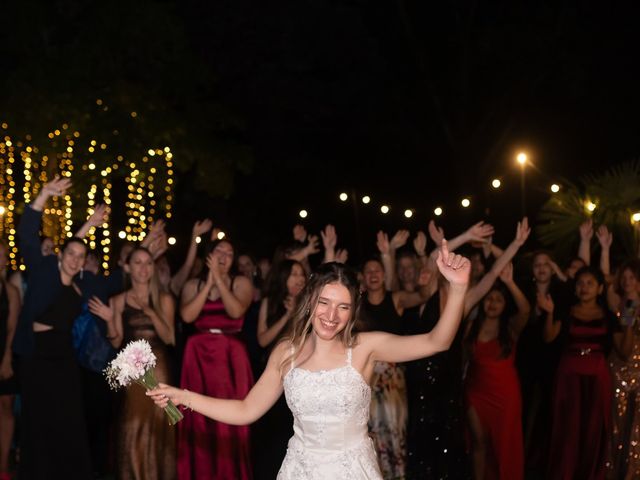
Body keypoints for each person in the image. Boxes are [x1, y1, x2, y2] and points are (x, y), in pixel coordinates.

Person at [147, 241, 470, 479]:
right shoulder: (286, 352)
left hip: (352, 471)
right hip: (300, 469)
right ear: (310, 301)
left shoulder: (365, 348)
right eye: (324, 303)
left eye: (342, 307)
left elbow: (437, 341)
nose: (331, 316)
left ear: (352, 311)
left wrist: (457, 288)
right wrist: (184, 395)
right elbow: (246, 410)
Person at [13, 176, 92, 479]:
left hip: (63, 357)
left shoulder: (79, 288)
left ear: (84, 262)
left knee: (68, 416)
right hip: (36, 355)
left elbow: (77, 247)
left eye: (80, 257)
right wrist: (43, 196)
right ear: (60, 256)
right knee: (37, 418)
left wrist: (89, 227)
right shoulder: (45, 269)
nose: (74, 259)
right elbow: (26, 236)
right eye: (69, 254)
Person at [91, 246, 176, 480]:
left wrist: (149, 309)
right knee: (132, 423)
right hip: (132, 369)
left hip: (160, 369)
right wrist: (110, 319)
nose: (143, 268)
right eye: (137, 263)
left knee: (159, 424)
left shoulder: (165, 298)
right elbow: (116, 340)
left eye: (148, 263)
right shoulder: (118, 300)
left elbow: (169, 337)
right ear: (128, 267)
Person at [177, 238, 254, 479]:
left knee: (231, 419)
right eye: (219, 250)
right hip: (197, 355)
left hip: (230, 357)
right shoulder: (193, 284)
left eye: (229, 253)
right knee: (197, 417)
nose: (223, 255)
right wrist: (207, 283)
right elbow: (188, 317)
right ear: (209, 254)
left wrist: (219, 280)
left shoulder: (240, 282)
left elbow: (236, 311)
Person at [543, 266, 622, 480]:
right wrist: (549, 313)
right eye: (580, 283)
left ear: (600, 289)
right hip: (569, 377)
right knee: (567, 430)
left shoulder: (608, 316)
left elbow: (623, 349)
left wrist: (630, 318)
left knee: (593, 431)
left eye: (589, 283)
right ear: (575, 289)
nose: (584, 287)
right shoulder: (565, 310)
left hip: (597, 378)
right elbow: (549, 337)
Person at [464, 263, 530, 480]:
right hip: (476, 393)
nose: (492, 303)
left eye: (498, 300)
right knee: (479, 441)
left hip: (506, 395)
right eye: (489, 299)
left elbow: (526, 309)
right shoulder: (471, 327)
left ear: (504, 305)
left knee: (504, 445)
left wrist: (510, 282)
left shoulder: (511, 328)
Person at [0, 243, 19, 480]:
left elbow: (12, 327)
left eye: (3, 256)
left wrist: (6, 358)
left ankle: (3, 465)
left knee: (6, 408)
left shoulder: (11, 290)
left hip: (4, 353)